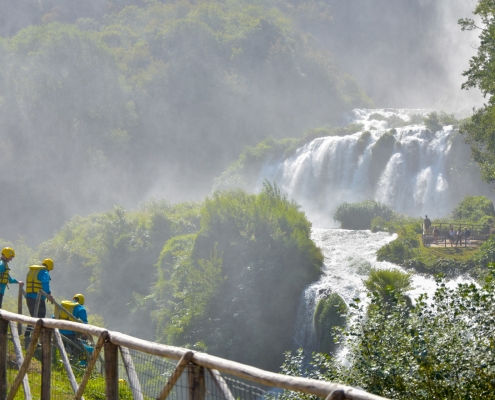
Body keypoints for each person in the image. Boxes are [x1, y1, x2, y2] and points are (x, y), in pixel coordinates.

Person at [24, 259, 55, 341]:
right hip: (38, 299)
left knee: (33, 317)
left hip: (29, 298)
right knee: (40, 318)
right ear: (49, 267)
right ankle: (35, 339)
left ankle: (27, 336)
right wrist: (49, 294)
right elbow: (45, 283)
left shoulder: (33, 271)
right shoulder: (44, 272)